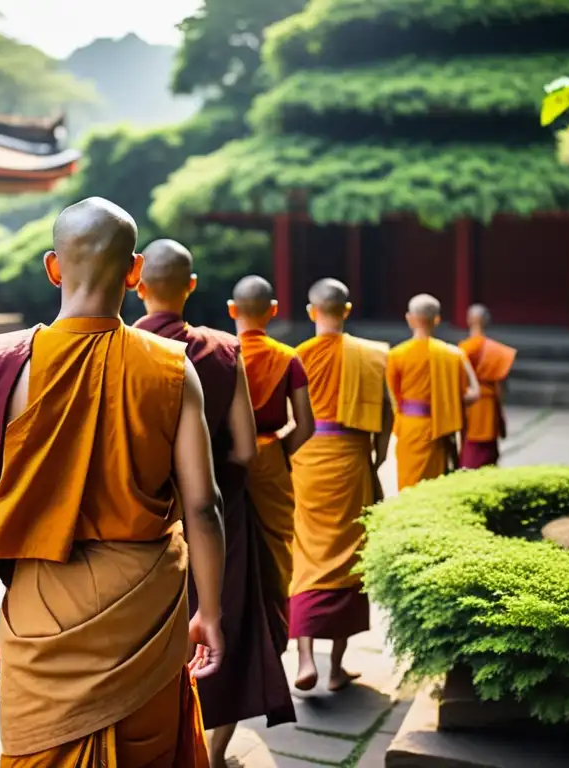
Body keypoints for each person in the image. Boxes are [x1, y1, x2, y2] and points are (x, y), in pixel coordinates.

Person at [0, 198, 226, 767]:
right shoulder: (173, 367)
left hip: (40, 611)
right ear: (134, 272)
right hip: (147, 607)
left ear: (53, 267)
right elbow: (204, 508)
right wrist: (212, 614)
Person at [136, 242, 295, 768]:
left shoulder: (125, 349)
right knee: (223, 634)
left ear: (138, 285)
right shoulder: (226, 349)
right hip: (223, 514)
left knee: (145, 640)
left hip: (143, 522)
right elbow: (248, 449)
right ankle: (214, 754)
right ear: (192, 285)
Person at [290, 278, 392, 693]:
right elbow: (387, 417)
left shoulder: (295, 357)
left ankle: (302, 661)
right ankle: (335, 668)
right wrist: (377, 460)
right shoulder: (369, 355)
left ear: (312, 311)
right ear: (345, 311)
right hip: (351, 461)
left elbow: (286, 416)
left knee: (305, 554)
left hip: (308, 462)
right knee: (349, 558)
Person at [227, 275, 315, 655]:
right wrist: (280, 451)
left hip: (228, 460)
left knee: (230, 543)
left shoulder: (222, 353)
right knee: (278, 551)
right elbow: (306, 424)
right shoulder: (287, 357)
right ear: (273, 311)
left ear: (232, 310)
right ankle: (275, 640)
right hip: (273, 456)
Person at [387, 294, 479, 490]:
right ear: (436, 320)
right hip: (439, 427)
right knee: (433, 487)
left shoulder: (396, 355)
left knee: (408, 487)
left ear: (409, 318)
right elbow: (474, 393)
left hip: (410, 427)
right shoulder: (451, 354)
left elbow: (393, 396)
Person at [457, 304, 516, 469]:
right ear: (487, 321)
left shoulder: (464, 348)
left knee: (472, 448)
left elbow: (458, 379)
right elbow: (502, 381)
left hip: (470, 401)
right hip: (489, 402)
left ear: (469, 320)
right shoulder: (496, 350)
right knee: (488, 448)